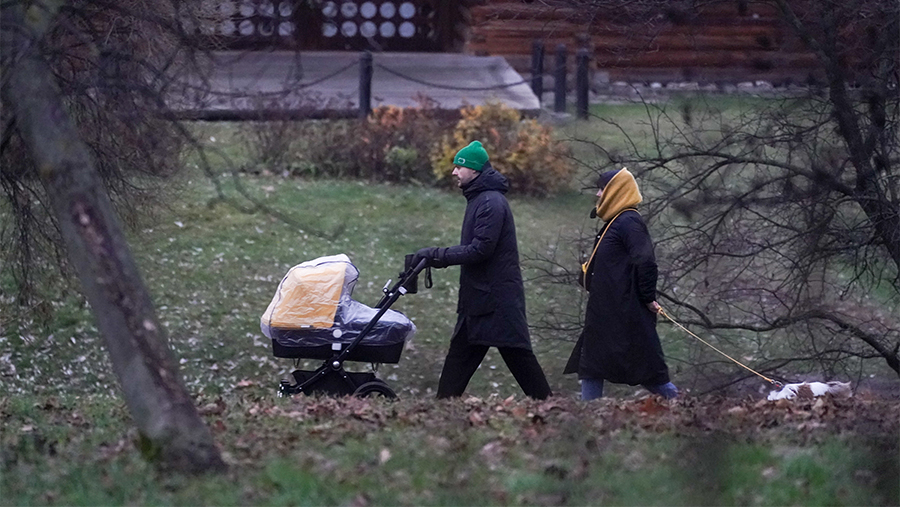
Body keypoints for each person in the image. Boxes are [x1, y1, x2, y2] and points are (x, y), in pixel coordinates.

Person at [410, 140, 552, 400]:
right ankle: (442, 407)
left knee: (518, 357)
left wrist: (435, 255)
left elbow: (480, 250)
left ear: (474, 170)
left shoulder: (490, 202)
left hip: (495, 301)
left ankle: (551, 408)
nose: (454, 172)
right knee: (460, 360)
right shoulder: (481, 199)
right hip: (479, 300)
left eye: (459, 167)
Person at [564, 168, 678, 400]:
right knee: (591, 366)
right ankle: (589, 415)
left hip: (624, 313)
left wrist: (648, 298)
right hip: (606, 311)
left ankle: (683, 405)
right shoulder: (616, 222)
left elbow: (646, 262)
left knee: (649, 373)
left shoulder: (629, 222)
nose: (598, 194)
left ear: (616, 191)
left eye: (602, 189)